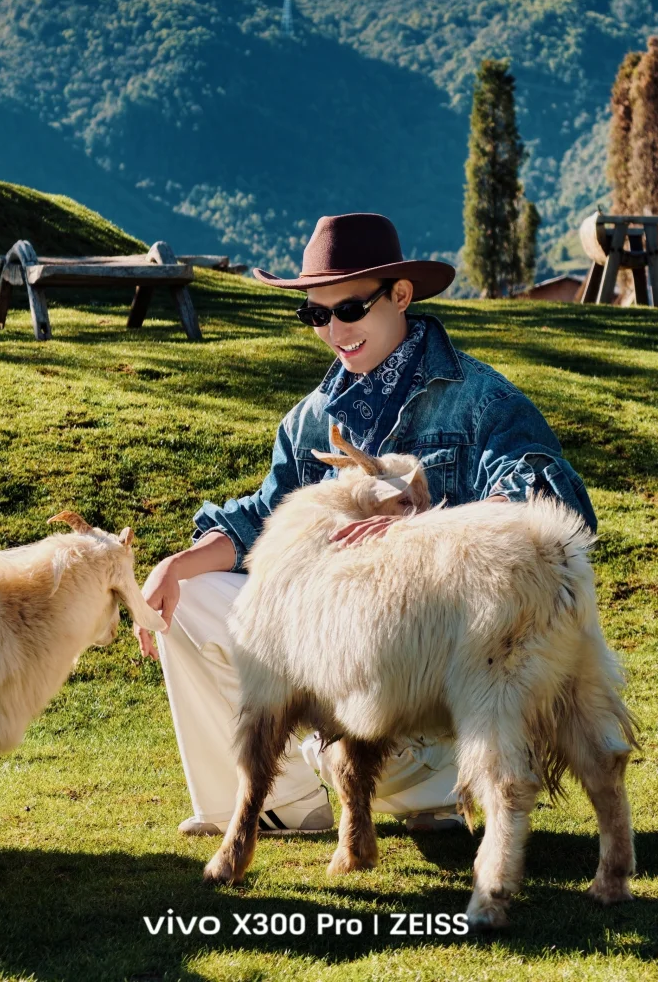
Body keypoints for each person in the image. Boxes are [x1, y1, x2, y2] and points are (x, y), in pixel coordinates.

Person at [134, 212, 596, 837]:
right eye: (316, 315)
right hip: (343, 665)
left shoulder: (484, 400)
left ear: (400, 296)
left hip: (437, 684)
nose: (333, 331)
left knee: (414, 766)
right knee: (189, 597)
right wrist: (175, 566)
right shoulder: (308, 421)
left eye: (348, 309)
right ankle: (281, 805)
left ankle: (432, 785)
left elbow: (545, 499)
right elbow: (264, 519)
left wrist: (416, 533)